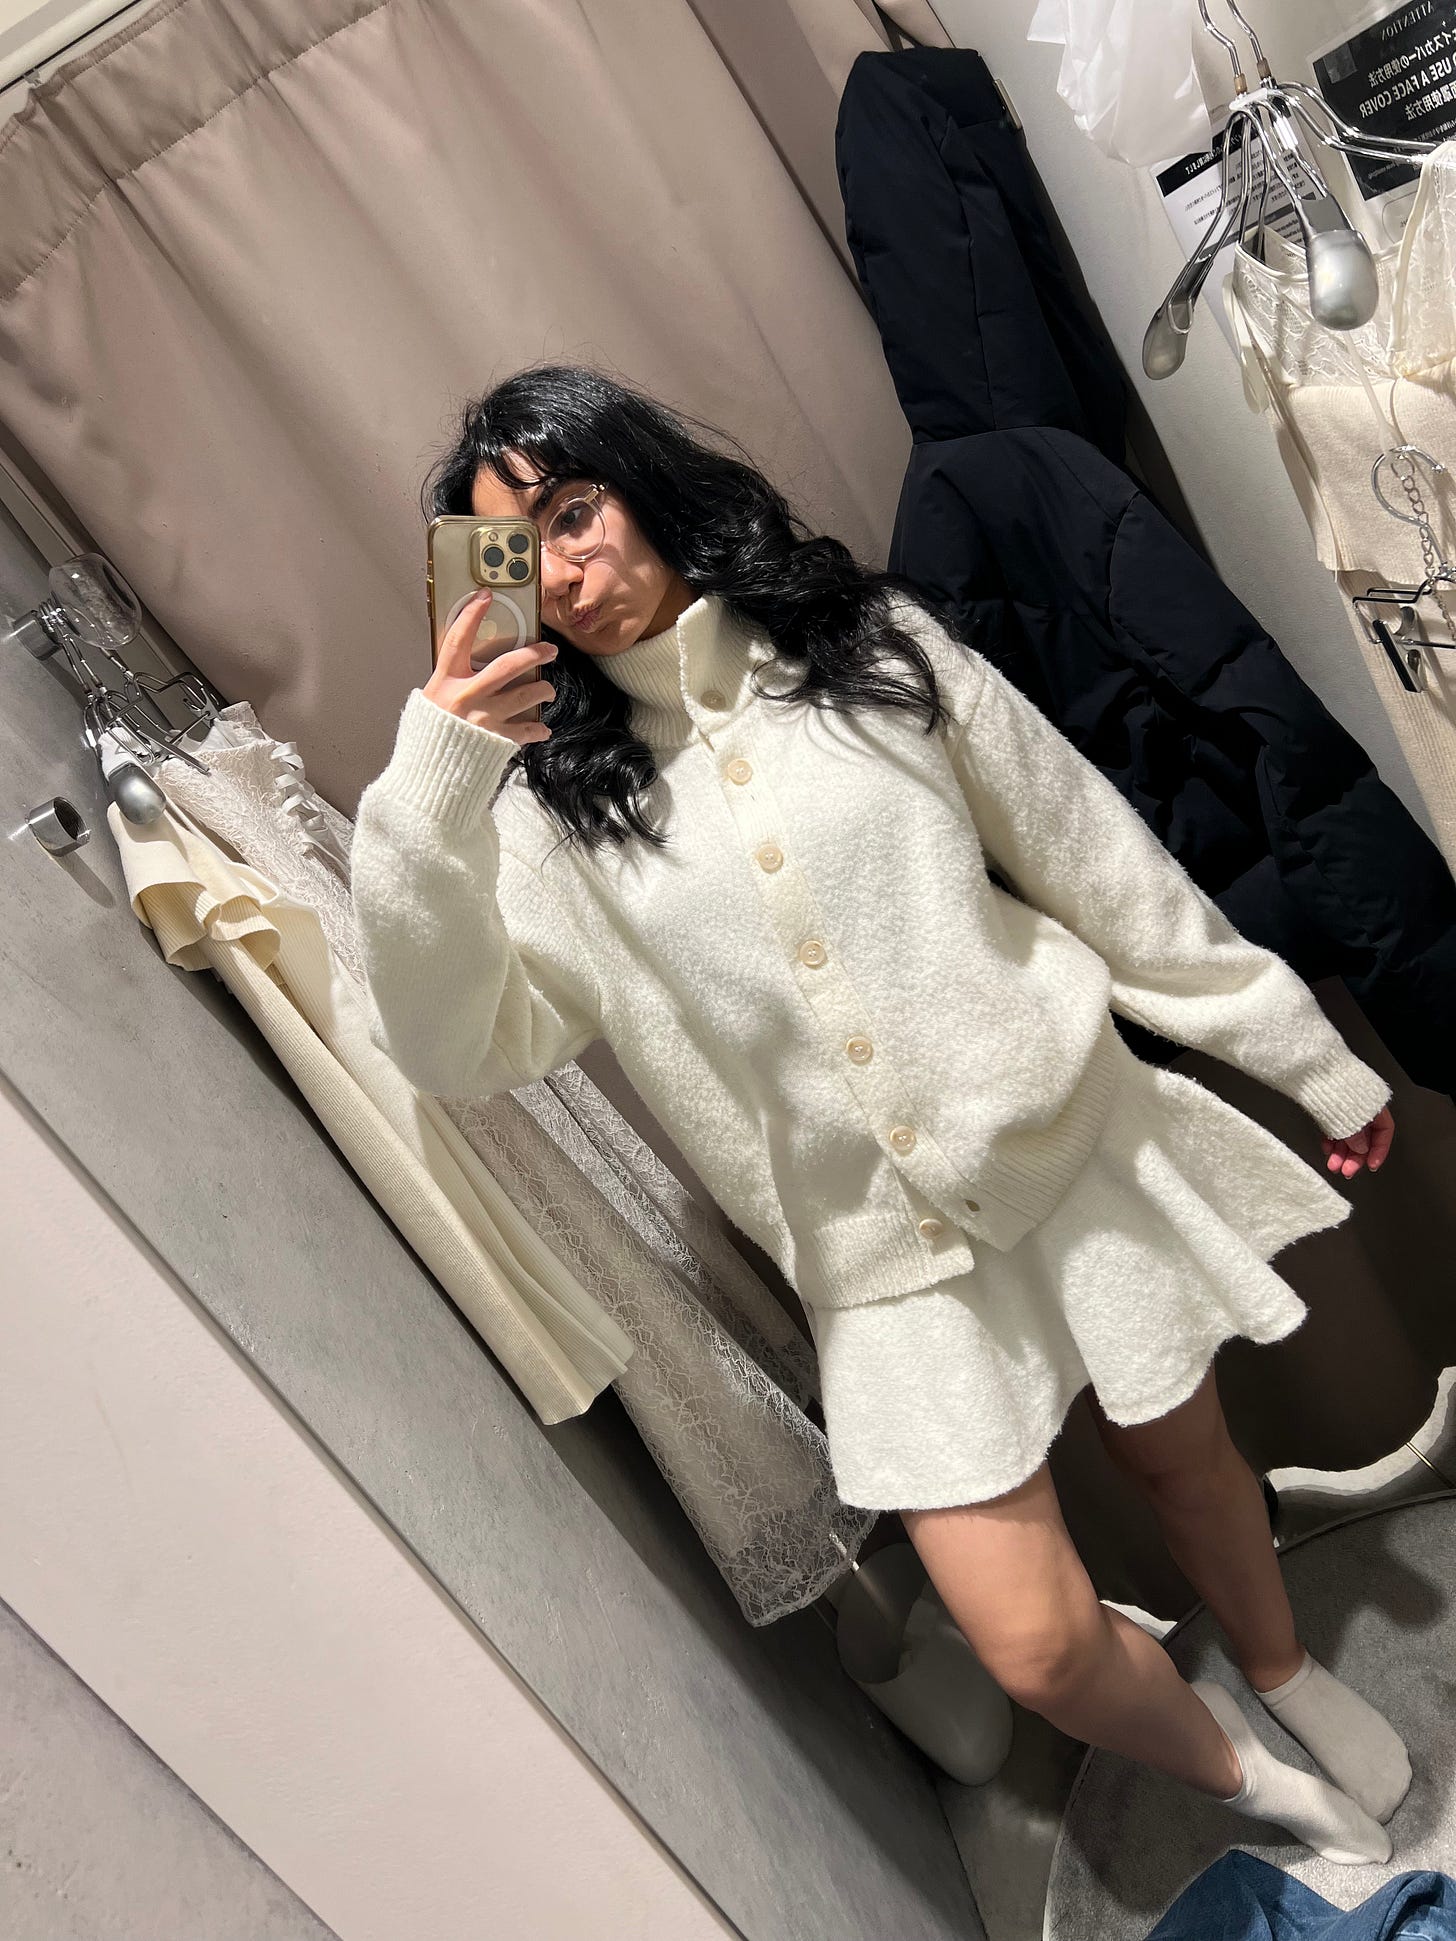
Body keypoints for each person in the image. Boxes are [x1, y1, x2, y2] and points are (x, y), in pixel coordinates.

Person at [349, 363, 1408, 1864]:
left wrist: (1299, 1051)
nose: (563, 571)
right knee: (1036, 1646)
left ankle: (1286, 1667)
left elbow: (1091, 860)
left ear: (645, 483)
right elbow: (456, 1047)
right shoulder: (555, 818)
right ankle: (1253, 1776)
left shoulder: (868, 648)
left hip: (1065, 1145)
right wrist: (433, 787)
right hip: (877, 1265)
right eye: (517, 551)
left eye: (575, 511)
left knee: (1186, 1460)